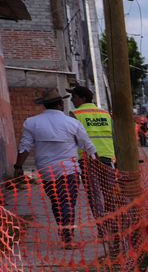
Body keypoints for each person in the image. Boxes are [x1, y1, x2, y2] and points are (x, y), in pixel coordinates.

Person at [15, 93, 95, 247]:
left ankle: (64, 231)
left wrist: (18, 167)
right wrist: (96, 159)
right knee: (68, 201)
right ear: (61, 105)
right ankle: (67, 236)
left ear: (45, 106)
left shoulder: (32, 123)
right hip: (69, 170)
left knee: (56, 201)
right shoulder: (72, 123)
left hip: (46, 171)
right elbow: (87, 144)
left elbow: (24, 146)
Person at [69, 84, 117, 223]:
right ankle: (112, 221)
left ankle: (101, 224)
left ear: (82, 98)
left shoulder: (75, 114)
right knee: (109, 193)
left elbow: (71, 138)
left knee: (94, 194)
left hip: (87, 159)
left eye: (74, 97)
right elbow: (114, 136)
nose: (72, 100)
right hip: (107, 158)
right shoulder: (105, 114)